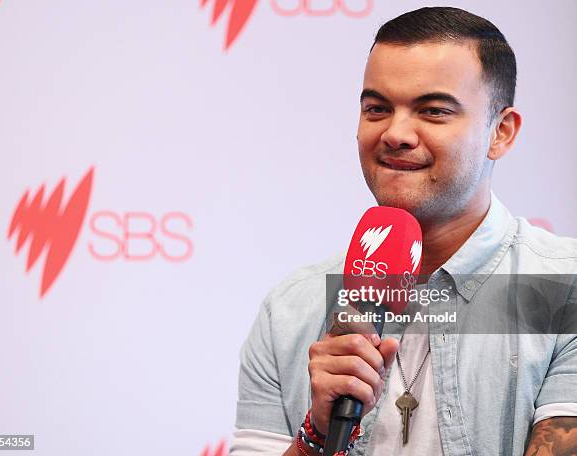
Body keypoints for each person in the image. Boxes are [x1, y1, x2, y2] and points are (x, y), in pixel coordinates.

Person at [230, 7, 577, 456]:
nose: (395, 133)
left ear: (501, 132)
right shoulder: (291, 309)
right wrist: (316, 433)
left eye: (433, 111)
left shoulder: (563, 291)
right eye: (376, 108)